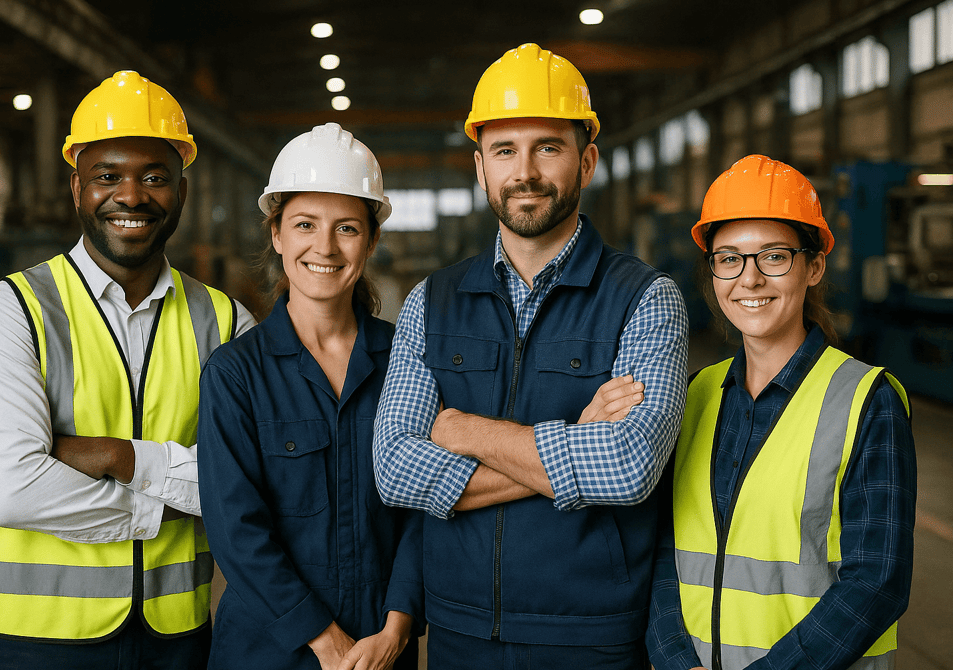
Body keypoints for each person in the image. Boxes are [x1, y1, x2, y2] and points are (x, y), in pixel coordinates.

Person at [372, 43, 689, 668]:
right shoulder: (429, 303)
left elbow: (627, 469)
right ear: (480, 166)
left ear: (587, 160)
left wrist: (461, 430)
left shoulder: (647, 300)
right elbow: (394, 470)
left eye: (548, 146)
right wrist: (574, 440)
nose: (526, 171)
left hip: (591, 636)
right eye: (504, 151)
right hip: (459, 633)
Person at [0, 70, 255, 669]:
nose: (132, 195)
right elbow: (14, 492)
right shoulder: (9, 311)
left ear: (182, 192)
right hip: (31, 640)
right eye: (107, 176)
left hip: (176, 639)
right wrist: (172, 499)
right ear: (76, 189)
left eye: (154, 177)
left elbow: (258, 478)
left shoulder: (226, 322)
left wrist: (118, 459)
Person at [646, 154, 916, 670]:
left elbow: (877, 581)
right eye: (729, 258)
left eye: (773, 256)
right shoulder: (695, 395)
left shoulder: (866, 400)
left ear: (813, 267)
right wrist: (675, 659)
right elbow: (662, 549)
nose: (749, 279)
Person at [196, 122, 424, 670]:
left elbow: (427, 509)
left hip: (380, 647)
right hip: (269, 651)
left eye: (346, 228)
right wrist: (326, 641)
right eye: (304, 224)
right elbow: (236, 529)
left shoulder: (407, 362)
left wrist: (396, 629)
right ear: (277, 235)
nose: (324, 247)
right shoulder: (235, 374)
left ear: (370, 241)